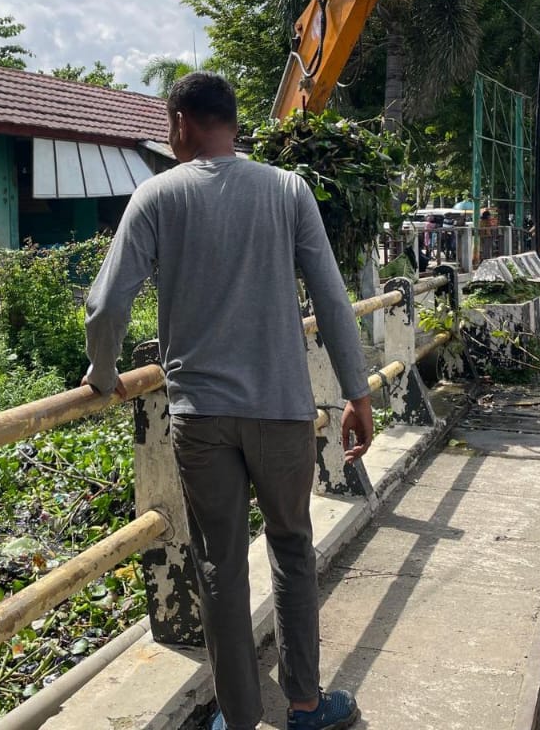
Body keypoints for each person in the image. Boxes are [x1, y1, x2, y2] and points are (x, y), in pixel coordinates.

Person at [82, 72, 372, 730]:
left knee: (219, 567)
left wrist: (102, 375)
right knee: (293, 550)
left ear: (181, 123)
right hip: (282, 412)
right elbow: (331, 298)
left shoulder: (155, 197)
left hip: (201, 419)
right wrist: (357, 392)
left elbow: (107, 303)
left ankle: (239, 719)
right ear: (233, 123)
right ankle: (303, 704)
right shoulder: (288, 190)